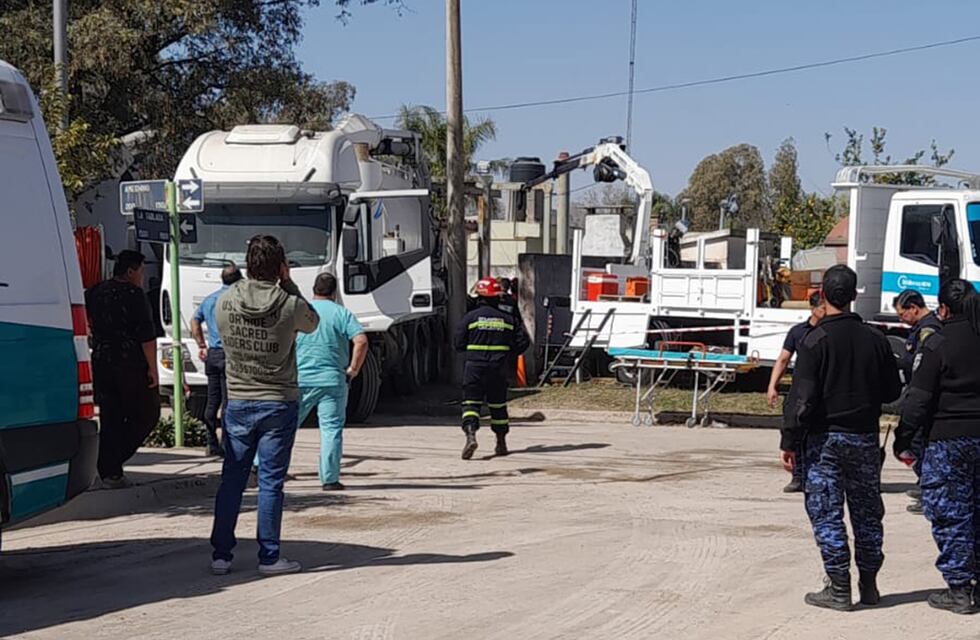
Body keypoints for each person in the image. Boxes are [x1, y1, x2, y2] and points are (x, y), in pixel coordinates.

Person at [780, 265, 902, 611]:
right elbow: (893, 390)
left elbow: (801, 400)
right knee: (867, 512)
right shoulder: (877, 339)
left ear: (823, 294)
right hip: (864, 437)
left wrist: (789, 441)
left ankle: (838, 587)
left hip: (825, 440)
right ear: (854, 295)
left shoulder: (814, 341)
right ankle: (869, 583)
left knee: (826, 512)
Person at [209, 235, 319, 577]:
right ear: (281, 268)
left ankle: (221, 555)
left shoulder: (224, 302)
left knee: (232, 479)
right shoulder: (290, 303)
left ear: (247, 265)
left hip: (238, 400)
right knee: (271, 482)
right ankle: (269, 557)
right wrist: (291, 285)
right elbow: (312, 323)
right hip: (277, 402)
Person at [895, 279, 980, 615]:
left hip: (948, 440)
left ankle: (959, 589)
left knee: (950, 514)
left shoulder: (938, 343)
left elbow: (918, 398)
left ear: (943, 308)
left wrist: (904, 439)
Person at [85, 250, 161, 489]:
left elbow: (87, 323)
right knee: (148, 414)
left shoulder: (95, 292)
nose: (142, 276)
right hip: (130, 364)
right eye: (140, 271)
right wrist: (153, 369)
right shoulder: (135, 295)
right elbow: (146, 337)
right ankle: (110, 462)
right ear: (130, 271)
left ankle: (111, 471)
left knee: (111, 416)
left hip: (102, 361)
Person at [295, 272, 368, 491]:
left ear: (313, 290)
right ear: (334, 292)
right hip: (334, 379)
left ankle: (261, 466)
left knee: (285, 425)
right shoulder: (342, 313)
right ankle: (329, 479)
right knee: (331, 429)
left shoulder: (302, 313)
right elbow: (361, 340)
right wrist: (353, 370)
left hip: (301, 378)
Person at [454, 277, 530, 460]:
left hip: (474, 368)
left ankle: (471, 435)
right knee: (498, 405)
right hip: (498, 368)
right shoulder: (508, 319)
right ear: (498, 297)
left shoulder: (469, 318)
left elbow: (458, 343)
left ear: (479, 297)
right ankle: (501, 442)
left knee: (471, 404)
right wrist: (508, 353)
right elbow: (523, 342)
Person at [892, 288, 944, 513]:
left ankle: (930, 490)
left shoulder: (928, 330)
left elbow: (922, 365)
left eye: (902, 314)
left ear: (913, 308)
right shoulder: (919, 329)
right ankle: (925, 483)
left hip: (925, 396)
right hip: (916, 391)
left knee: (916, 442)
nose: (901, 320)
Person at [768, 292, 825, 493]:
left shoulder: (832, 332)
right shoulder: (798, 332)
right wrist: (772, 385)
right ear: (813, 308)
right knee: (794, 430)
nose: (826, 312)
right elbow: (783, 359)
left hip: (824, 390)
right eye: (822, 308)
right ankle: (798, 476)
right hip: (800, 390)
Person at [191, 263, 243, 457]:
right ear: (238, 280)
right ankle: (228, 444)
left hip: (213, 354)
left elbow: (195, 321)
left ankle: (211, 442)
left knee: (212, 400)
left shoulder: (210, 299)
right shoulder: (237, 299)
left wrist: (201, 345)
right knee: (229, 401)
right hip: (231, 354)